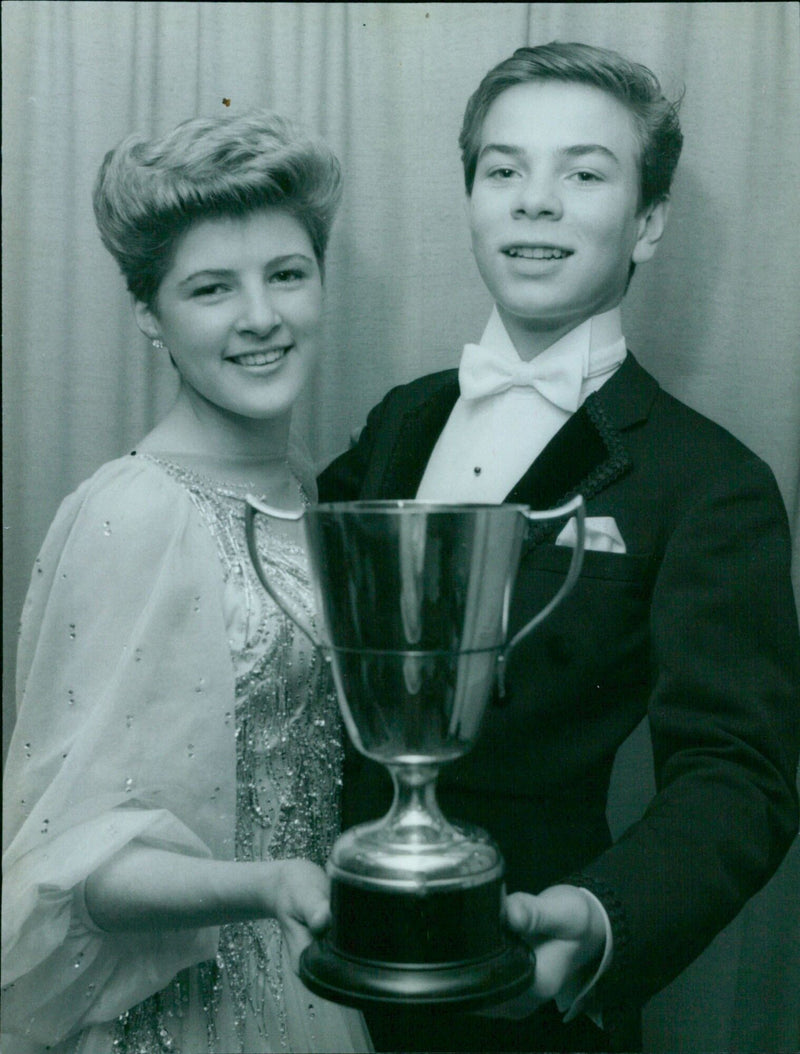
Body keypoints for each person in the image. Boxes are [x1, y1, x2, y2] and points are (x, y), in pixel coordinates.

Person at [318, 42, 800, 1052]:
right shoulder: (398, 422)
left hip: (521, 988)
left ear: (649, 221)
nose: (533, 203)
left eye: (582, 173)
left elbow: (737, 772)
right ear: (471, 202)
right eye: (503, 170)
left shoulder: (706, 480)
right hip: (322, 961)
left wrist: (593, 917)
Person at [2, 111, 371, 1054]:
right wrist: (269, 884)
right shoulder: (135, 511)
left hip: (310, 983)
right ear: (149, 314)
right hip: (180, 1015)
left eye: (287, 275)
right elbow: (68, 866)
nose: (262, 317)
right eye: (212, 288)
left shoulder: (310, 491)